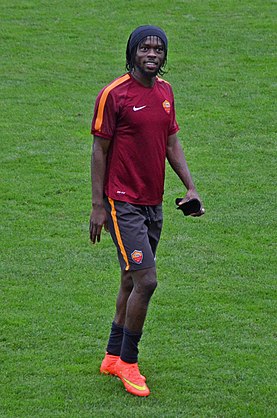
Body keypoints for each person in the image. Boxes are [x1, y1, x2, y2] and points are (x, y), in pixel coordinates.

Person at [89, 25, 205, 397]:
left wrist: (190, 186)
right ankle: (129, 362)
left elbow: (171, 141)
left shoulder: (166, 93)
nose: (152, 54)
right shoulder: (114, 94)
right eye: (145, 48)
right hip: (121, 202)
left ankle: (112, 355)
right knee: (146, 281)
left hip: (152, 202)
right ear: (132, 53)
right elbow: (99, 151)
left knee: (130, 278)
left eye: (158, 48)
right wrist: (98, 207)